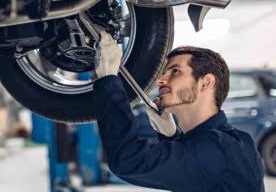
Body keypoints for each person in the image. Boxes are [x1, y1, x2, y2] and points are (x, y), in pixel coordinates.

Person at [93, 31, 265, 192]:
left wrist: (108, 79)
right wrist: (172, 136)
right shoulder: (239, 141)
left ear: (206, 82)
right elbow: (197, 169)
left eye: (175, 71)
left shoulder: (217, 149)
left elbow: (127, 160)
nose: (160, 80)